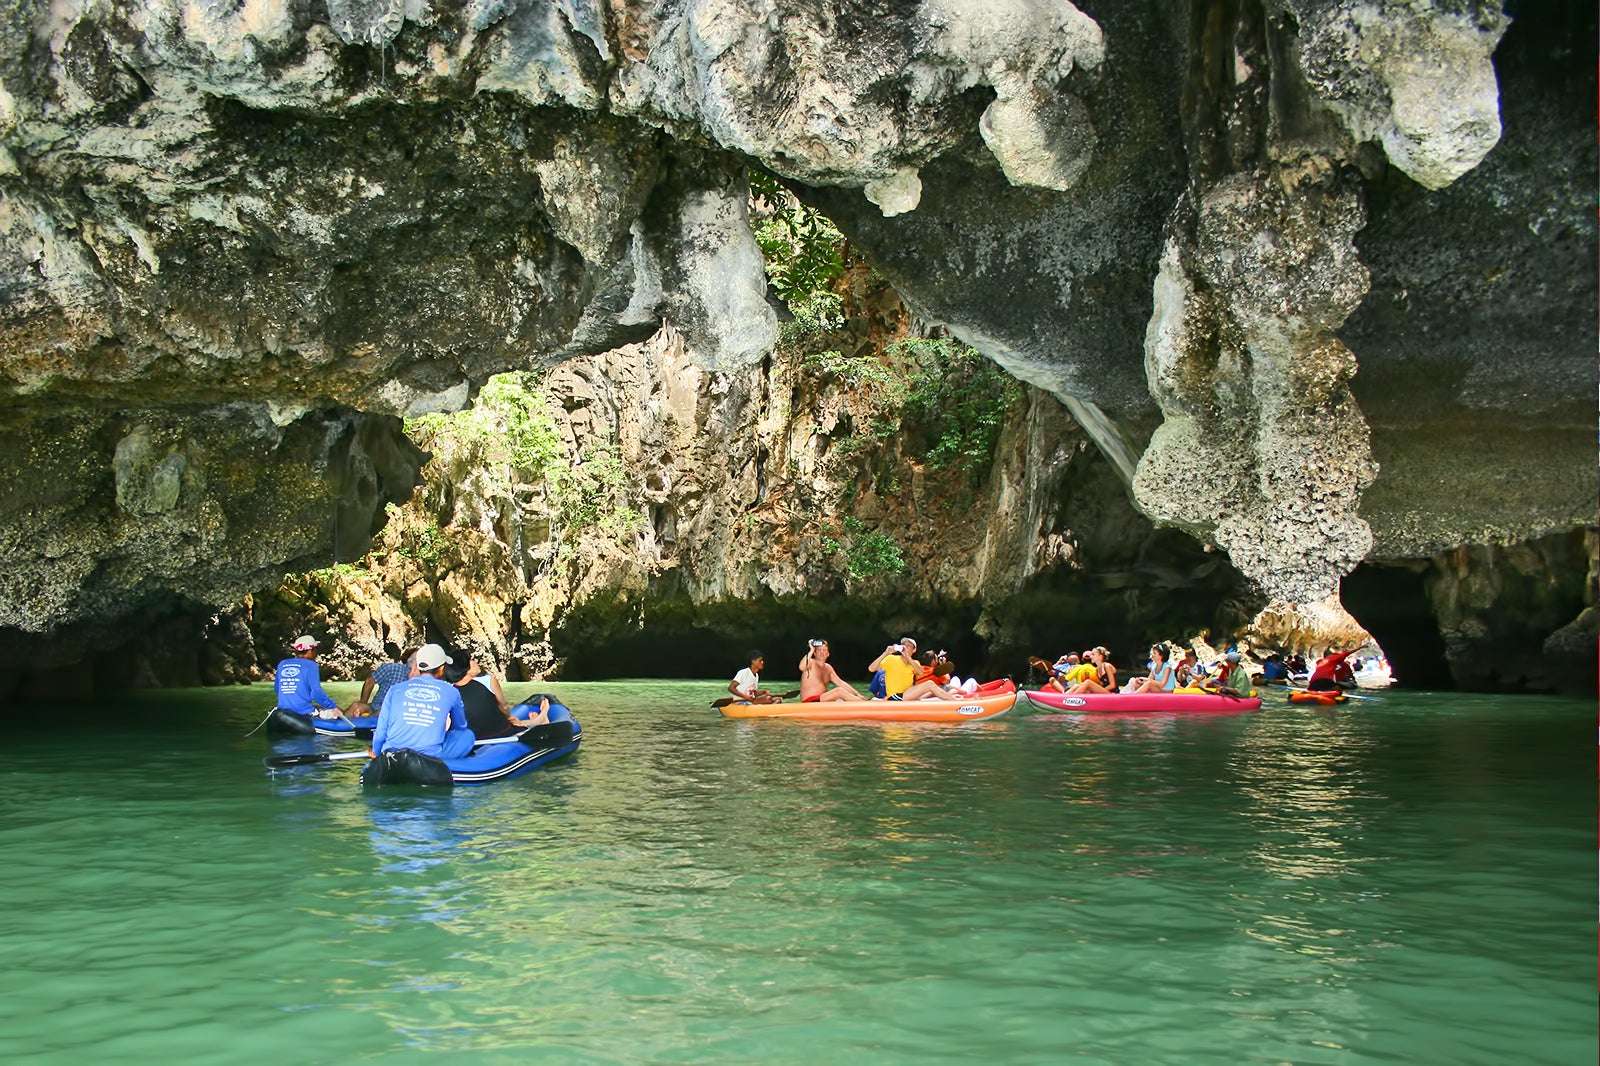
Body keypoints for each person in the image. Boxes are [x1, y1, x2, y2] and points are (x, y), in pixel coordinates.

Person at [371, 643, 475, 760]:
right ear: (441, 669)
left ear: (418, 666)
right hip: (429, 756)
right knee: (467, 735)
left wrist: (376, 752)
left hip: (393, 752)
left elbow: (381, 731)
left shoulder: (395, 689)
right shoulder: (451, 691)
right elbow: (460, 727)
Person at [444, 659, 519, 739]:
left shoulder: (449, 692)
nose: (476, 660)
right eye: (471, 660)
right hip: (502, 733)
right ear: (465, 668)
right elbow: (504, 706)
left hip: (473, 740)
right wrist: (510, 717)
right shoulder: (487, 680)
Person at [274, 635, 343, 720]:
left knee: (317, 706)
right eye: (315, 649)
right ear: (311, 650)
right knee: (337, 712)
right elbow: (317, 692)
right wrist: (332, 707)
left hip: (283, 710)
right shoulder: (311, 665)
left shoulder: (282, 664)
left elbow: (277, 689)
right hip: (303, 713)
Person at [798, 639, 862, 702]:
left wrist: (858, 694)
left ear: (828, 654)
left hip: (822, 701)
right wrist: (811, 650)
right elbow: (801, 667)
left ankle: (862, 702)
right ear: (814, 653)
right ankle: (865, 703)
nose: (822, 652)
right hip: (809, 701)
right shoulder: (810, 662)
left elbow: (841, 683)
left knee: (840, 700)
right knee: (839, 691)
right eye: (819, 650)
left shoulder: (828, 668)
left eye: (824, 650)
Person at [360, 647, 416, 716]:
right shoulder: (392, 668)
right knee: (356, 707)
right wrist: (363, 702)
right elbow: (370, 682)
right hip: (375, 708)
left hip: (397, 715)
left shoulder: (425, 680)